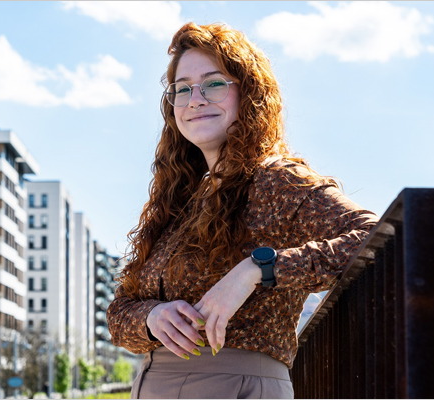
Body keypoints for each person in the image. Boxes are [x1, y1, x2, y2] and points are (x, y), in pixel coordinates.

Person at [107, 22, 379, 399]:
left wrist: (256, 270)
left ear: (248, 93)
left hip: (235, 386)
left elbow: (373, 239)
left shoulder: (276, 180)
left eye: (214, 83)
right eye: (182, 88)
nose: (195, 99)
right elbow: (119, 313)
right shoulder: (180, 202)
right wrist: (152, 317)